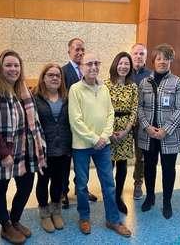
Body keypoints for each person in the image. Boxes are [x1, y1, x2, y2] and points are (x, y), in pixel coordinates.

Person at [0, 49, 46, 244]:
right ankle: (5, 226)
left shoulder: (24, 90)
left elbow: (31, 122)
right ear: (0, 68)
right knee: (0, 189)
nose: (13, 69)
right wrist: (3, 153)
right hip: (3, 151)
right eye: (8, 65)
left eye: (16, 65)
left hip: (25, 150)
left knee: (26, 186)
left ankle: (15, 220)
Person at [68, 52, 131, 237]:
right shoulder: (75, 89)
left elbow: (110, 113)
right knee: (81, 184)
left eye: (96, 63)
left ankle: (113, 220)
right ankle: (84, 217)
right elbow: (75, 120)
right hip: (82, 145)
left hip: (103, 145)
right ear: (81, 67)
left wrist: (104, 137)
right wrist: (95, 139)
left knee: (109, 184)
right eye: (89, 64)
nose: (93, 67)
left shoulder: (104, 88)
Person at [137, 44, 180, 219]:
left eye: (166, 58)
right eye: (159, 58)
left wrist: (165, 130)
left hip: (169, 136)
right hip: (148, 135)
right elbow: (139, 107)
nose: (162, 62)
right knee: (149, 167)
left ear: (170, 61)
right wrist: (147, 127)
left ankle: (167, 201)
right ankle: (150, 197)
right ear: (153, 61)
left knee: (168, 169)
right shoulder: (144, 82)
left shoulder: (178, 82)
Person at [33, 63, 72, 233]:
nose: (55, 78)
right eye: (51, 75)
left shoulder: (67, 97)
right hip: (43, 149)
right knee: (43, 181)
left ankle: (56, 210)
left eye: (58, 75)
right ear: (43, 77)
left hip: (63, 148)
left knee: (59, 181)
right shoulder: (35, 98)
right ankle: (44, 213)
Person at [61, 38, 97, 208]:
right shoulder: (62, 72)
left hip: (86, 126)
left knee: (82, 161)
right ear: (69, 51)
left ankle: (80, 188)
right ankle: (63, 192)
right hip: (68, 125)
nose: (80, 53)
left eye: (83, 49)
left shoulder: (88, 71)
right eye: (77, 49)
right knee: (66, 161)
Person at [105, 52, 138, 214]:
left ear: (130, 67)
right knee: (108, 165)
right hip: (108, 129)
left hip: (126, 130)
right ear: (115, 64)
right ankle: (109, 196)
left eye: (127, 64)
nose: (123, 67)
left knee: (122, 165)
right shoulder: (105, 84)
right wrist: (109, 131)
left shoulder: (132, 86)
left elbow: (134, 110)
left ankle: (118, 196)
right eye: (121, 63)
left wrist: (126, 130)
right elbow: (101, 109)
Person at [130, 43, 151, 200]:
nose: (138, 56)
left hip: (142, 122)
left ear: (145, 57)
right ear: (131, 55)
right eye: (136, 53)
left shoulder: (151, 76)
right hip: (124, 122)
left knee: (141, 155)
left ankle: (138, 182)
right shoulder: (123, 71)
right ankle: (114, 182)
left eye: (141, 54)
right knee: (117, 154)